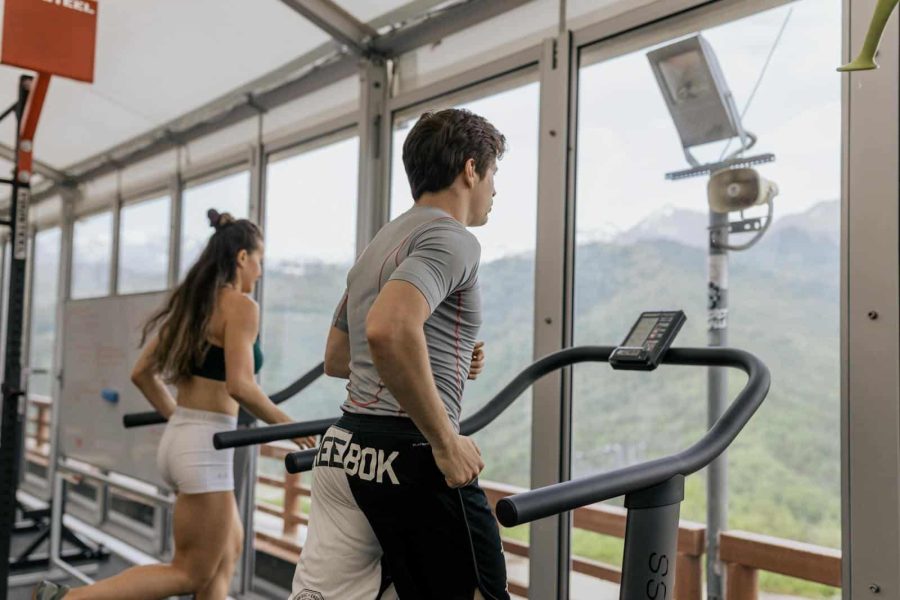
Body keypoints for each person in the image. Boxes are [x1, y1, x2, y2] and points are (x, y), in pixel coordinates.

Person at [34, 211, 313, 600]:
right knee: (188, 574)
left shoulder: (192, 307)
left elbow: (141, 373)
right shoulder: (242, 307)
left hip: (185, 438)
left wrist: (179, 420)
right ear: (243, 258)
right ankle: (66, 599)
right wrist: (293, 427)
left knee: (228, 551)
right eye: (260, 261)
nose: (261, 272)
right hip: (205, 447)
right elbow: (240, 385)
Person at [291, 108, 508, 600]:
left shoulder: (381, 243)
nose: (495, 189)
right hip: (406, 453)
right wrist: (446, 441)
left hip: (345, 449)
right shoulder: (453, 237)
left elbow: (340, 357)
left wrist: (443, 357)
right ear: (470, 169)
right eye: (493, 174)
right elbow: (388, 331)